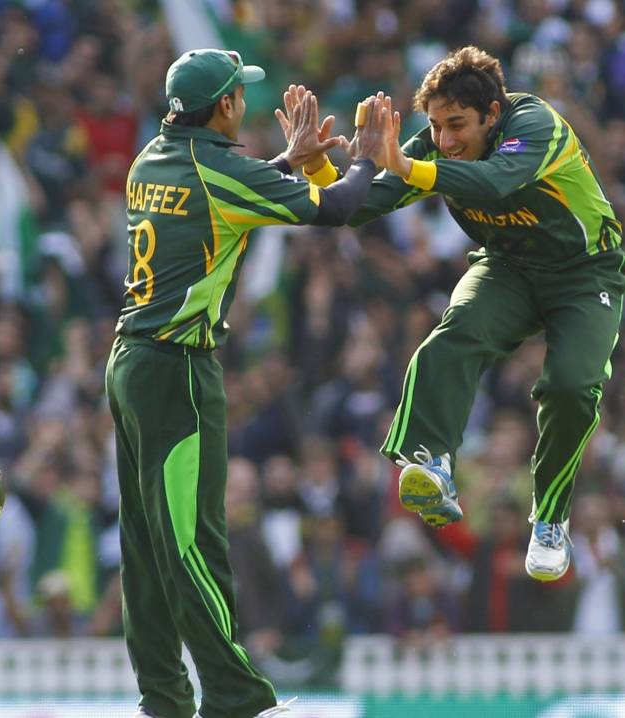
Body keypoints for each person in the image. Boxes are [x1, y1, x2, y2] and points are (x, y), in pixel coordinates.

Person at [106, 49, 390, 718]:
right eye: (241, 96)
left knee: (144, 545)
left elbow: (222, 194)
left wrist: (286, 162)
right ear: (226, 106)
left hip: (129, 362)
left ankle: (163, 698)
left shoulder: (153, 157)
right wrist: (368, 157)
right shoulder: (219, 170)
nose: (246, 105)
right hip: (176, 367)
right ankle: (233, 697)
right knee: (191, 540)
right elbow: (341, 207)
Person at [283, 46, 625, 581]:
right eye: (436, 127)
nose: (444, 141)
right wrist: (317, 166)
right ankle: (431, 460)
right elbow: (362, 206)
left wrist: (404, 163)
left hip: (584, 274)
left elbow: (494, 183)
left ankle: (551, 518)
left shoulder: (536, 124)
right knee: (453, 332)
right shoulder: (433, 146)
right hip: (509, 266)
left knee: (571, 386)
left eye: (457, 125)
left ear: (492, 113)